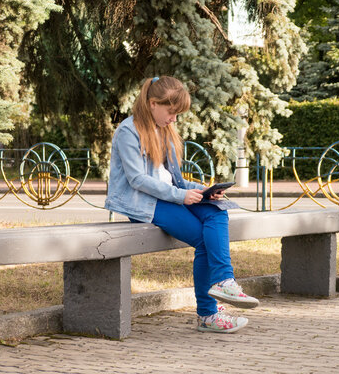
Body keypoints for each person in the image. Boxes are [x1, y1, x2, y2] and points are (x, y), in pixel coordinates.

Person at [105, 76, 259, 334]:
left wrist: (201, 190)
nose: (174, 119)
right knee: (203, 239)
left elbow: (173, 179)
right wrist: (180, 196)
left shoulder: (163, 131)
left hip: (170, 196)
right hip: (144, 203)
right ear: (153, 103)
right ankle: (208, 314)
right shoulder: (128, 131)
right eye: (171, 112)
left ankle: (224, 281)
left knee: (217, 211)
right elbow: (137, 179)